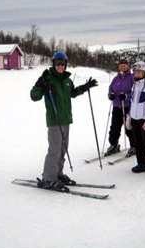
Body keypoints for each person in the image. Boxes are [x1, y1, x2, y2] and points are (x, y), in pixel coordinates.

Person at [30, 51, 98, 191]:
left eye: (62, 64)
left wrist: (85, 87)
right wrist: (39, 85)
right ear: (54, 64)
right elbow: (34, 96)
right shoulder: (48, 79)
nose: (60, 66)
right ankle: (49, 178)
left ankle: (57, 173)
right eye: (57, 63)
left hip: (66, 120)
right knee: (54, 150)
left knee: (62, 149)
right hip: (55, 120)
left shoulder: (67, 80)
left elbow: (72, 93)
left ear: (66, 65)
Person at [105, 58, 136, 157]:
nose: (122, 66)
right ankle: (114, 144)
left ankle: (134, 146)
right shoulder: (116, 78)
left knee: (129, 127)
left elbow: (135, 92)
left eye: (124, 65)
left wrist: (126, 96)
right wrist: (111, 94)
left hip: (127, 106)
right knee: (114, 127)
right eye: (120, 65)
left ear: (127, 66)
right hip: (116, 106)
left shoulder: (132, 77)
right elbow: (110, 89)